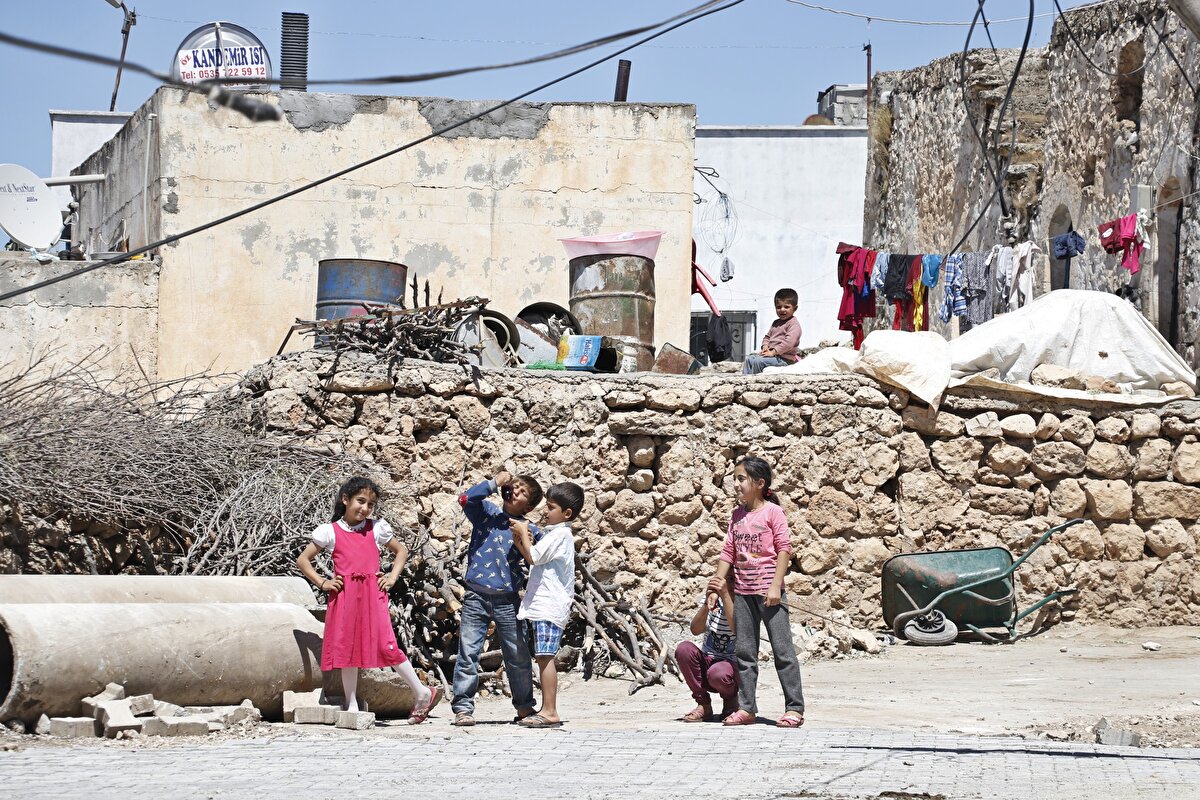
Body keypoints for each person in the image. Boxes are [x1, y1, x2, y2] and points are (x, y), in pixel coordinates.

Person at [296, 476, 441, 724]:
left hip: (372, 595)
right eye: (360, 501)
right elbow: (303, 560)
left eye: (370, 504)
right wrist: (323, 583)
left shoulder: (376, 529)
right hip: (344, 596)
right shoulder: (330, 532)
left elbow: (401, 551)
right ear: (346, 500)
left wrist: (393, 577)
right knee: (347, 647)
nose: (364, 508)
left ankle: (421, 691)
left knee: (386, 644)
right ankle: (351, 703)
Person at [714, 457, 805, 728]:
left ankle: (794, 708)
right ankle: (747, 708)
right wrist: (717, 582)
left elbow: (784, 549)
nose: (736, 484)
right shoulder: (737, 515)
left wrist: (776, 585)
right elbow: (728, 551)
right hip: (742, 592)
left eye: (741, 479)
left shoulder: (773, 512)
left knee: (783, 651)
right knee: (744, 652)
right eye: (735, 478)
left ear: (759, 483)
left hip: (769, 594)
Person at [452, 470, 544, 726]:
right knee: (468, 652)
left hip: (508, 599)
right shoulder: (487, 515)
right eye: (514, 487)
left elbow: (542, 554)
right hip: (476, 596)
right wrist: (494, 483)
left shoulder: (529, 529)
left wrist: (524, 534)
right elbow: (465, 499)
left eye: (522, 492)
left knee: (517, 655)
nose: (515, 491)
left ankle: (525, 707)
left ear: (529, 506)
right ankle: (463, 708)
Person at [511, 481, 584, 729]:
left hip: (549, 606)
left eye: (550, 507)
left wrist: (523, 532)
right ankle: (546, 708)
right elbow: (533, 558)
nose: (545, 511)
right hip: (546, 605)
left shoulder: (561, 535)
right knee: (543, 656)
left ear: (566, 514)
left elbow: (534, 556)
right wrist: (522, 540)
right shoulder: (557, 535)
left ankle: (550, 711)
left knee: (545, 657)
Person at [674, 575, 737, 723]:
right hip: (709, 660)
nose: (730, 584)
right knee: (684, 649)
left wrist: (726, 596)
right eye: (727, 580)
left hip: (731, 668)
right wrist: (706, 606)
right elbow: (695, 630)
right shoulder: (714, 599)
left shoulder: (745, 602)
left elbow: (737, 630)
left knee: (718, 672)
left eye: (734, 580)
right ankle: (703, 704)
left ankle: (731, 701)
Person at [743, 288, 802, 375]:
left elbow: (788, 343)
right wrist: (765, 346)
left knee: (758, 362)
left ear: (795, 308)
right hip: (772, 356)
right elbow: (767, 337)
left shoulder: (794, 325)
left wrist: (773, 352)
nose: (782, 309)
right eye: (778, 307)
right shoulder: (776, 323)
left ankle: (755, 383)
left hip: (785, 359)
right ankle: (745, 382)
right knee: (749, 359)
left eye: (786, 307)